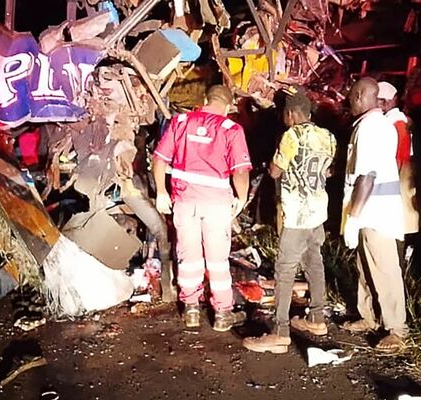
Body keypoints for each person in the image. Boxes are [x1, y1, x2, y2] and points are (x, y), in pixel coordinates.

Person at [242, 87, 337, 353]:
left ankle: (280, 332)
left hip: (296, 213)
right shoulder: (327, 136)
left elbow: (274, 171)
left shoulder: (291, 135)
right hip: (318, 212)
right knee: (314, 263)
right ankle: (317, 318)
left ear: (293, 114)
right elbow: (328, 171)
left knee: (284, 271)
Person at [152, 85, 251, 332]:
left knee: (189, 258)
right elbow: (240, 170)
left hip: (185, 201)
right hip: (217, 204)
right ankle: (222, 314)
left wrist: (161, 192)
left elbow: (159, 159)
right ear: (229, 106)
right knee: (217, 261)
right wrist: (241, 197)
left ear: (205, 99)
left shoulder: (181, 121)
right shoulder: (232, 129)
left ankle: (192, 310)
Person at [340, 77, 407, 351]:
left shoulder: (370, 128)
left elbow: (366, 177)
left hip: (374, 212)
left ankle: (397, 329)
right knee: (366, 267)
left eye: (350, 98)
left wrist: (354, 218)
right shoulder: (377, 125)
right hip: (373, 209)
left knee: (384, 269)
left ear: (358, 96)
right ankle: (367, 315)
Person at [378, 81, 419, 263]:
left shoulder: (395, 125)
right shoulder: (399, 123)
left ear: (386, 103)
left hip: (395, 187)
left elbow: (397, 161)